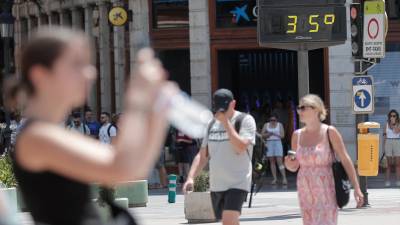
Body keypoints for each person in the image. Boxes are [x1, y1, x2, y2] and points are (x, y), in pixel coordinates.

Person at [9, 26, 176, 225]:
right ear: (40, 74)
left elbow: (134, 169)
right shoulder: (37, 137)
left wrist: (157, 112)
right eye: (77, 64)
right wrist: (138, 100)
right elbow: (121, 168)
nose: (91, 73)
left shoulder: (48, 132)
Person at [285, 94, 364, 225]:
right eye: (299, 108)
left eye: (304, 108)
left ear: (316, 109)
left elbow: (345, 159)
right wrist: (288, 163)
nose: (300, 111)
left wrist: (356, 187)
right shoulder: (296, 135)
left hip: (327, 187)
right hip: (305, 188)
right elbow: (294, 166)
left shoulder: (329, 132)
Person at [183, 89, 256, 225]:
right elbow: (202, 155)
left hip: (238, 182)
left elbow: (240, 147)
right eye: (218, 108)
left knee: (228, 220)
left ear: (233, 104)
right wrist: (191, 178)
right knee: (229, 221)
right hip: (217, 184)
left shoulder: (245, 120)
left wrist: (226, 123)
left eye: (225, 108)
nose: (221, 112)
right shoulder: (211, 125)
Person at [261, 114, 287, 185]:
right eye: (271, 120)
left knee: (279, 161)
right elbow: (262, 135)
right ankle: (275, 178)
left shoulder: (280, 125)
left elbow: (282, 135)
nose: (272, 121)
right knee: (272, 161)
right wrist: (268, 134)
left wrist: (275, 134)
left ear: (276, 120)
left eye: (274, 120)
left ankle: (284, 178)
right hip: (269, 143)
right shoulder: (266, 125)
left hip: (277, 142)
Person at [383, 109, 400, 187]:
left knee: (397, 164)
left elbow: (396, 131)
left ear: (397, 117)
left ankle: (398, 181)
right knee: (388, 164)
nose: (392, 117)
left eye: (394, 116)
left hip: (397, 142)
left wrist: (394, 124)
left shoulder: (399, 124)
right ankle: (387, 181)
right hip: (388, 142)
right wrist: (384, 146)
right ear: (389, 116)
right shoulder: (386, 124)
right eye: (391, 116)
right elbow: (385, 136)